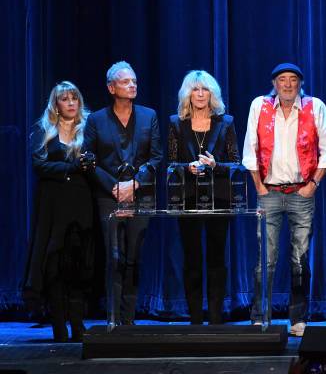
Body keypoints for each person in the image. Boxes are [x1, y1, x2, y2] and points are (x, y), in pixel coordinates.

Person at [243, 63, 326, 336]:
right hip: (269, 192)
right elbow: (250, 148)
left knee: (299, 258)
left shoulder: (314, 106)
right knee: (266, 259)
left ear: (300, 84)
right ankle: (261, 316)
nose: (287, 84)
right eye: (282, 79)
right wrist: (258, 185)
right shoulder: (259, 106)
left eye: (292, 79)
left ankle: (297, 319)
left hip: (301, 192)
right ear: (274, 83)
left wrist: (313, 184)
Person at [84, 61, 162, 325]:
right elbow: (89, 159)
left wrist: (135, 184)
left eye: (135, 81)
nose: (132, 85)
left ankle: (129, 319)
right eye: (126, 81)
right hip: (109, 195)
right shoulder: (95, 119)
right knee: (113, 255)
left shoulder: (149, 115)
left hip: (141, 194)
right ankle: (113, 317)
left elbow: (156, 157)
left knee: (134, 256)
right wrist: (114, 187)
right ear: (111, 87)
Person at [23, 81, 96, 342]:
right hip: (53, 206)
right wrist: (70, 167)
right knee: (54, 266)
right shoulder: (44, 130)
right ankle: (58, 326)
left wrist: (83, 166)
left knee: (79, 265)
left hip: (81, 202)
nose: (71, 103)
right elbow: (39, 165)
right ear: (56, 104)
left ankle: (77, 324)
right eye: (65, 99)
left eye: (74, 98)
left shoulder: (88, 128)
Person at [168, 70, 240, 324]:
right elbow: (170, 163)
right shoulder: (176, 123)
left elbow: (235, 164)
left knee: (217, 257)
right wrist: (185, 167)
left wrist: (215, 165)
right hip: (188, 198)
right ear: (187, 94)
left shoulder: (226, 122)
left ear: (212, 94)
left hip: (219, 198)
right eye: (195, 89)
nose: (200, 94)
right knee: (192, 257)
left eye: (205, 89)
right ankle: (196, 317)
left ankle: (216, 317)